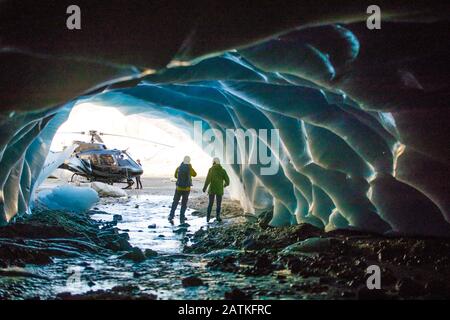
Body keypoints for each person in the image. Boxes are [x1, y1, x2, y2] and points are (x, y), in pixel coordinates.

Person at [169, 156, 197, 223]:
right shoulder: (190, 168)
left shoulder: (179, 168)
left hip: (178, 188)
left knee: (175, 202)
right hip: (186, 189)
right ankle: (182, 217)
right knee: (184, 203)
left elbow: (175, 176)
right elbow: (195, 174)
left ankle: (171, 215)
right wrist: (190, 168)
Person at [203, 157, 230, 223]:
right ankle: (218, 217)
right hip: (219, 190)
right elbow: (228, 181)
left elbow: (208, 180)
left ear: (214, 162)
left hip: (212, 189)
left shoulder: (211, 170)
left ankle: (208, 218)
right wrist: (224, 185)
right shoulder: (223, 170)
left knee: (210, 204)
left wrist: (205, 188)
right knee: (218, 204)